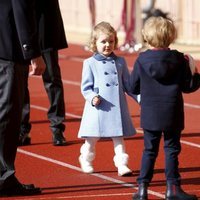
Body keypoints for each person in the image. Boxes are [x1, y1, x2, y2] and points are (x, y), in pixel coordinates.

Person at [130, 16, 200, 200]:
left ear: (147, 37)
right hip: (172, 113)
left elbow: (132, 87)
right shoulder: (180, 59)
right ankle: (173, 189)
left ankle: (142, 189)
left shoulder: (141, 60)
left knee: (149, 150)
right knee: (171, 150)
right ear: (171, 36)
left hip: (150, 114)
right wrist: (196, 73)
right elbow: (188, 87)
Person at [78, 21, 136, 176]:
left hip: (116, 108)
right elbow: (85, 87)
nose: (107, 45)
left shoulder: (120, 62)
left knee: (118, 137)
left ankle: (122, 165)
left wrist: (141, 98)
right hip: (98, 108)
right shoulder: (89, 63)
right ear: (94, 43)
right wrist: (92, 98)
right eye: (103, 41)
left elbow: (128, 85)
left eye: (111, 41)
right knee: (92, 139)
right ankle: (86, 158)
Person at [0, 0, 46, 197]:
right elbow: (21, 8)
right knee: (7, 116)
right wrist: (32, 52)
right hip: (9, 50)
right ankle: (4, 178)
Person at [19, 0, 68, 146]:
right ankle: (22, 129)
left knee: (52, 78)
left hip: (45, 25)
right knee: (20, 81)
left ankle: (57, 128)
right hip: (21, 26)